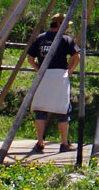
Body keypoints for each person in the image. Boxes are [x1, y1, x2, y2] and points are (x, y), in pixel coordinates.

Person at [27, 13, 80, 153]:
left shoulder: (40, 38)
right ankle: (64, 143)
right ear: (59, 24)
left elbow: (30, 59)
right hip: (59, 76)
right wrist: (70, 71)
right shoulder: (65, 39)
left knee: (40, 110)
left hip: (44, 75)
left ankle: (40, 143)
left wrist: (39, 70)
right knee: (62, 110)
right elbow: (77, 56)